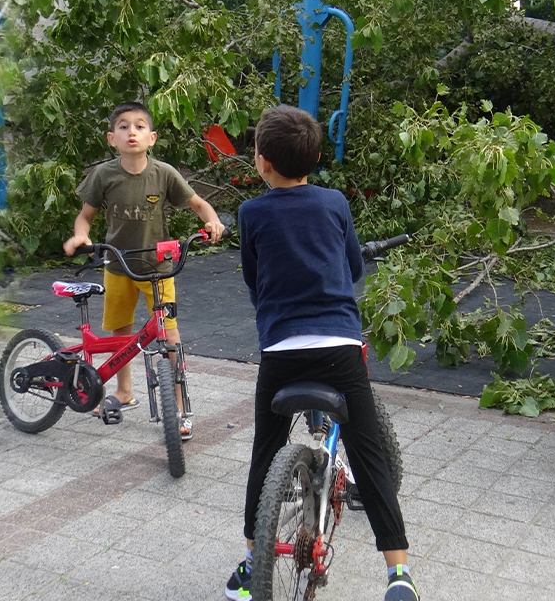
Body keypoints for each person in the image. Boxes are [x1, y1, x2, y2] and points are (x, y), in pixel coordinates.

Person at [225, 105, 419, 601]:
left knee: (264, 454)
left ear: (262, 162)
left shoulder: (250, 213)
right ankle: (398, 575)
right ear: (313, 160)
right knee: (368, 454)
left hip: (281, 350)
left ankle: (251, 564)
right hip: (338, 347)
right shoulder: (334, 202)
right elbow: (353, 266)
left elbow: (254, 279)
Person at [63, 101, 226, 440]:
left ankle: (181, 406)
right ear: (112, 138)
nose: (131, 131)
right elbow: (86, 216)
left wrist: (211, 219)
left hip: (158, 267)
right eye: (123, 126)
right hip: (117, 265)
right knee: (120, 331)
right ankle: (124, 391)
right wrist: (81, 235)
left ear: (151, 138)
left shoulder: (164, 173)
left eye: (139, 126)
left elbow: (198, 203)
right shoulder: (104, 175)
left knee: (169, 335)